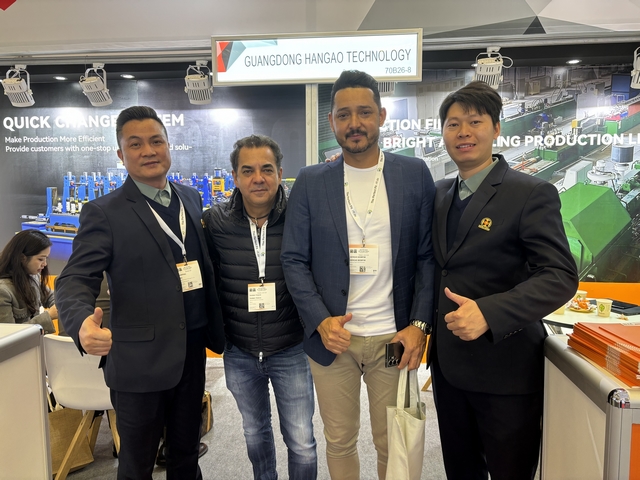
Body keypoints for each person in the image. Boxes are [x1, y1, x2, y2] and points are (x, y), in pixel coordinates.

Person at [281, 70, 436, 480]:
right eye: (344, 114)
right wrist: (320, 321)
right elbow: (293, 259)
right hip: (335, 340)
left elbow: (427, 257)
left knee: (393, 440)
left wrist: (420, 325)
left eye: (364, 112)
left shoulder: (414, 174)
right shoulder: (311, 182)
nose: (355, 123)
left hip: (394, 339)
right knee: (339, 440)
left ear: (381, 116)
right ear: (331, 121)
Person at [55, 105, 225, 480]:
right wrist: (81, 323)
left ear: (168, 146)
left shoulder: (190, 198)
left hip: (191, 353)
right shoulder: (104, 212)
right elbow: (75, 277)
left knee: (186, 456)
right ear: (121, 155)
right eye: (135, 144)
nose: (148, 151)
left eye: (156, 141)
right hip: (138, 364)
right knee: (136, 466)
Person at [430, 81, 578, 480]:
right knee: (461, 471)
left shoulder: (530, 193)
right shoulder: (440, 194)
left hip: (505, 371)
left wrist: (489, 313)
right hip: (448, 369)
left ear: (496, 128)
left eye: (474, 122)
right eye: (453, 124)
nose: (463, 132)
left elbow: (560, 274)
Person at [203, 134, 317, 479]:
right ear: (235, 177)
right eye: (248, 171)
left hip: (291, 348)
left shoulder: (301, 216)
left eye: (267, 169)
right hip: (239, 350)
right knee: (254, 433)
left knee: (302, 441)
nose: (258, 178)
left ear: (280, 173)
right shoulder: (215, 222)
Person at [0, 229, 57, 334]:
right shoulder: (3, 291)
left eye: (46, 259)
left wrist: (60, 303)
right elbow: (8, 335)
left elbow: (49, 296)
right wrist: (49, 316)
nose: (45, 264)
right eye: (40, 259)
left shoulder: (32, 276)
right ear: (23, 258)